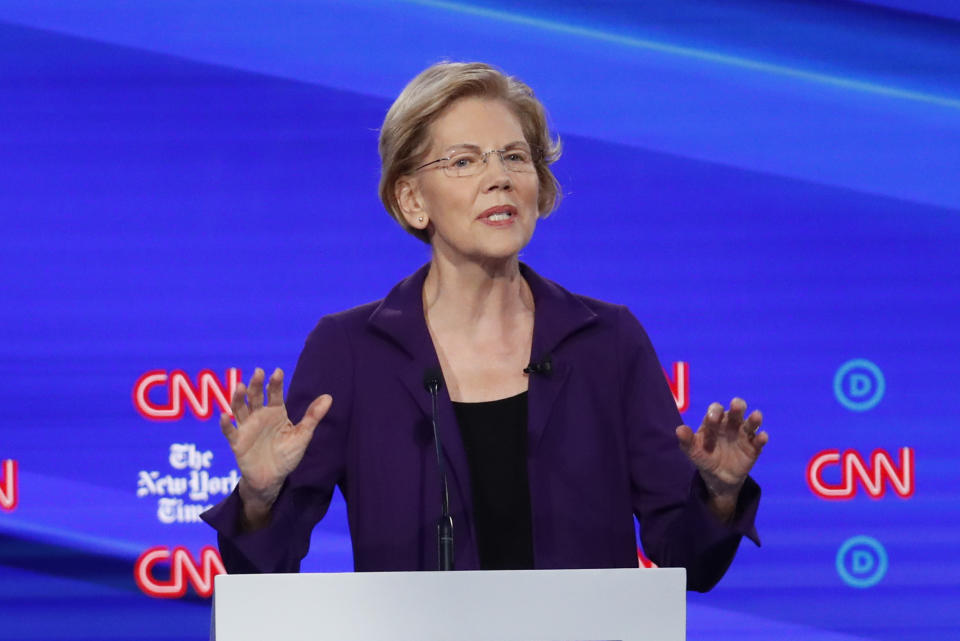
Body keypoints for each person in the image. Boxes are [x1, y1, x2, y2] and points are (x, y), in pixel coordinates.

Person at [201, 61, 767, 591]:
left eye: (516, 158)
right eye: (465, 161)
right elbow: (265, 569)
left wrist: (718, 495)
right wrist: (260, 494)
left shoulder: (607, 342)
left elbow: (686, 563)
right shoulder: (352, 350)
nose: (499, 178)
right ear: (412, 199)